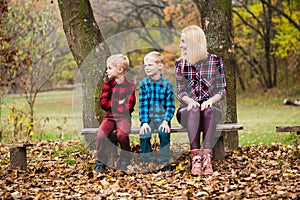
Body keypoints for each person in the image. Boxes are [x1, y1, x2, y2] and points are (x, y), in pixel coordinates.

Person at [175, 25, 226, 176]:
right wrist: (190, 101)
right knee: (194, 109)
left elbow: (221, 89)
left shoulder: (215, 61)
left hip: (210, 112)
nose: (180, 45)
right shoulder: (181, 64)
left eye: (183, 41)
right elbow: (181, 92)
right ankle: (195, 158)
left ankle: (207, 158)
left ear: (192, 42)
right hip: (187, 112)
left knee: (208, 109)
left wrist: (211, 100)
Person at [95, 54, 136, 173]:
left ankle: (125, 159)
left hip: (124, 118)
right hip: (109, 117)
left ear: (120, 70)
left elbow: (129, 106)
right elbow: (103, 103)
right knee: (101, 135)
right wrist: (119, 103)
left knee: (122, 135)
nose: (107, 70)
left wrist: (114, 104)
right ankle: (101, 161)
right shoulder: (108, 85)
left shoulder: (130, 86)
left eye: (109, 68)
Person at [139, 51, 175, 172]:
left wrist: (166, 121)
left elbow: (170, 106)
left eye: (150, 65)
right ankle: (146, 162)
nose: (147, 68)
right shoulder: (143, 84)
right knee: (144, 134)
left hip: (162, 119)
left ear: (159, 66)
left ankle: (164, 162)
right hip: (148, 119)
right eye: (145, 65)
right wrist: (144, 122)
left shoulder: (167, 84)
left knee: (164, 134)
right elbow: (143, 105)